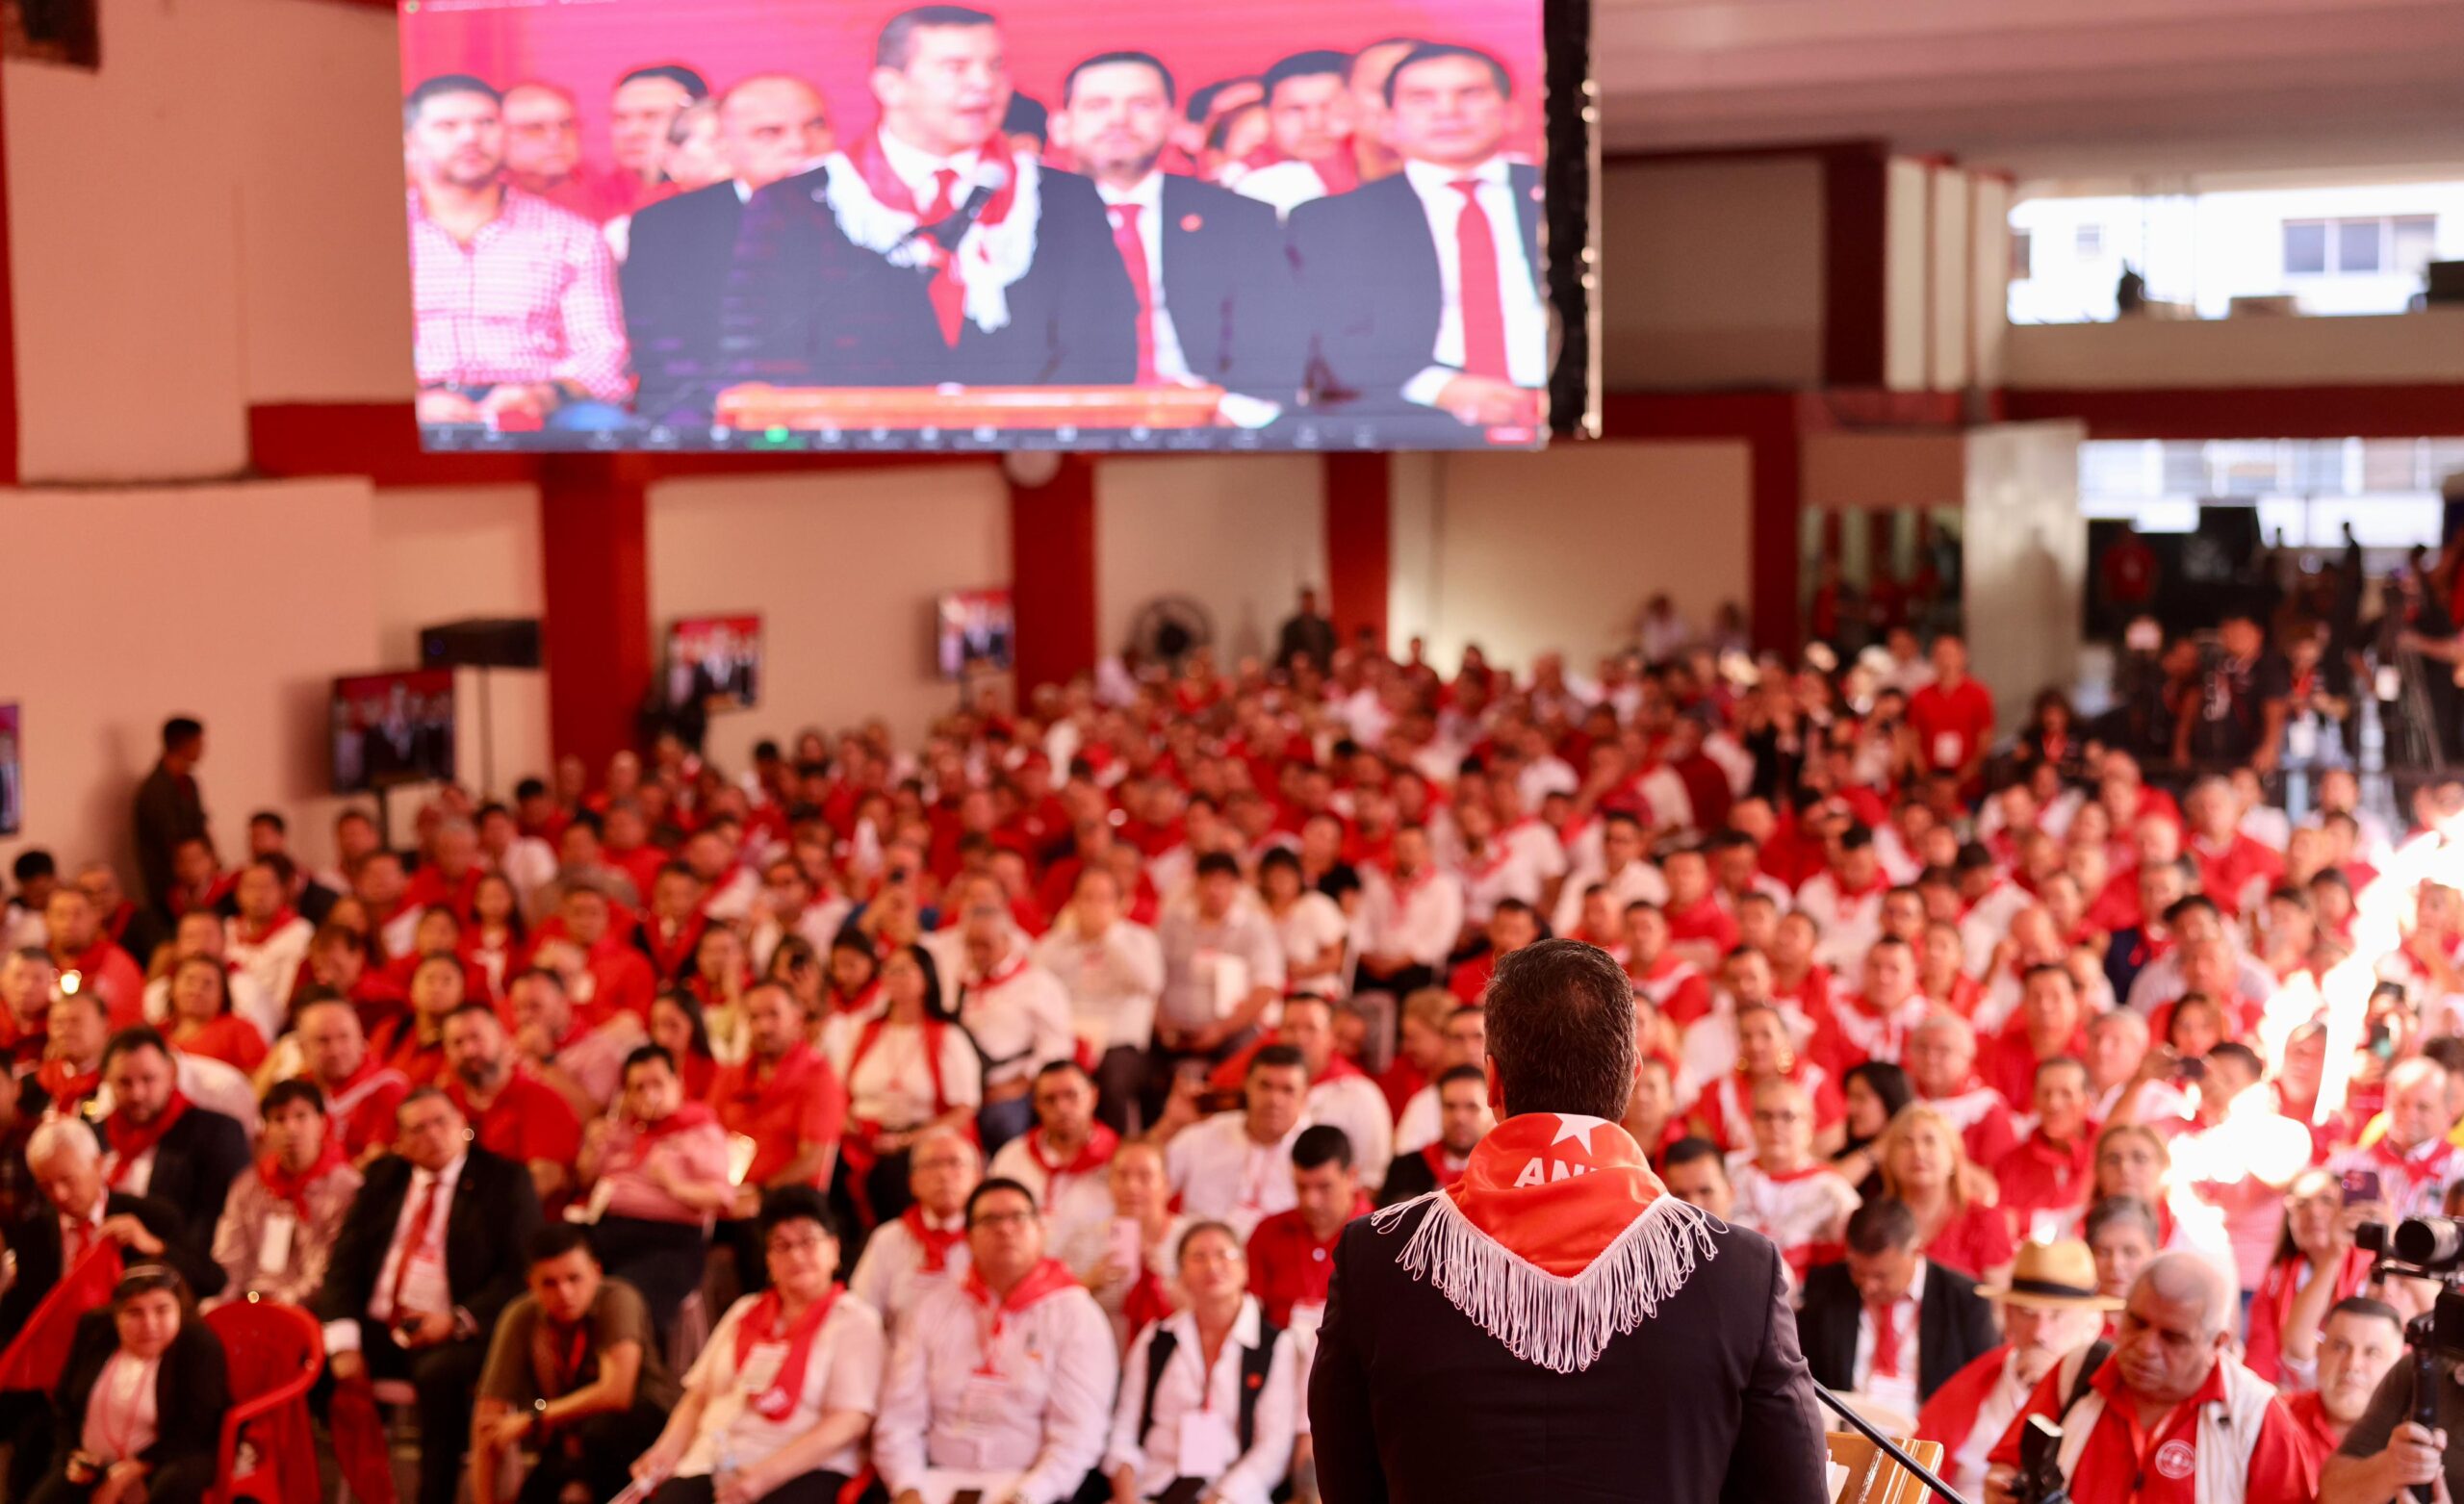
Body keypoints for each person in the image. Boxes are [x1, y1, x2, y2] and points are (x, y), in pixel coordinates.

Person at [1309, 938, 1830, 1501]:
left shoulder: (1377, 1254)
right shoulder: (1739, 1270)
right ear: (1630, 1078)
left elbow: (1346, 1484)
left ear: (1492, 1080)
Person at [728, 5, 1139, 389]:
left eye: (995, 67)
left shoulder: (1063, 196)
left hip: (1027, 454)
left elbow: (1103, 346)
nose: (984, 85)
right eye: (955, 68)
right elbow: (764, 356)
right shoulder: (797, 201)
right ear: (891, 85)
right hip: (858, 454)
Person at [1288, 43, 1545, 435]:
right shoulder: (1332, 220)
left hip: (1555, 407)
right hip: (1408, 415)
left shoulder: (1561, 198)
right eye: (1421, 98)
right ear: (1389, 122)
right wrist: (1441, 389)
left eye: (1470, 94)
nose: (1448, 112)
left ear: (1511, 113)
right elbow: (1330, 340)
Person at [314, 1088, 546, 1504]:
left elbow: (519, 1277)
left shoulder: (504, 1180)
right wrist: (344, 1344)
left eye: (441, 1122)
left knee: (441, 1375)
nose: (433, 1135)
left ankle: (432, 1496)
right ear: (401, 1143)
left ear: (464, 1125)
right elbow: (343, 1266)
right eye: (417, 1129)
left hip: (459, 1327)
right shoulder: (384, 1178)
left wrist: (456, 1321)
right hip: (382, 1322)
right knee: (308, 1356)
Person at [1059, 51, 1301, 423]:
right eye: (1097, 105)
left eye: (1141, 104)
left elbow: (1279, 345)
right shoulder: (1026, 219)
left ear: (1172, 120)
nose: (1119, 120)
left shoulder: (1239, 219)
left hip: (1214, 426)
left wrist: (1229, 410)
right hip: (1067, 424)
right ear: (1062, 123)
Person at [1985, 1251, 2317, 1504]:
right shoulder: (2077, 1371)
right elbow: (2006, 1469)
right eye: (2137, 1323)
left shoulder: (2255, 1414)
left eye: (2172, 1337)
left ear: (2218, 1343)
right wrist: (2005, 1490)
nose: (2145, 1347)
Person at [403, 74, 630, 432]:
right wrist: (414, 399)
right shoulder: (377, 236)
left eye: (486, 123)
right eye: (448, 125)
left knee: (607, 426)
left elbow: (601, 353)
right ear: (410, 142)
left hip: (541, 405)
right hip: (417, 403)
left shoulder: (571, 235)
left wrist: (541, 396)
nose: (470, 137)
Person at [629, 1187, 884, 1504]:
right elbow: (698, 1398)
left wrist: (762, 1477)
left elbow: (849, 1421)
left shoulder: (854, 1320)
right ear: (768, 1260)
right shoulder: (743, 1311)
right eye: (782, 1245)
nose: (795, 1255)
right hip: (710, 1460)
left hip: (801, 1468)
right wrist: (663, 1453)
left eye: (807, 1241)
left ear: (834, 1249)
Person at [873, 1177, 1117, 1504]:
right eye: (991, 1220)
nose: (1005, 1229)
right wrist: (907, 1488)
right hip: (934, 1482)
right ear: (969, 1238)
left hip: (1034, 1486)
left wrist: (1028, 1495)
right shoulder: (932, 1308)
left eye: (1018, 1217)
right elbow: (899, 1419)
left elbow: (1079, 1432)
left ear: (1041, 1231)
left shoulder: (1075, 1313)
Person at [624, 73, 837, 421]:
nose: (799, 144)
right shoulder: (665, 224)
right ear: (725, 145)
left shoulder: (873, 217)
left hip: (842, 409)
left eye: (815, 126)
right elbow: (662, 350)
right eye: (770, 132)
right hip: (711, 412)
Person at [471, 1226, 679, 1504]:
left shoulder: (618, 1298)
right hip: (567, 1441)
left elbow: (616, 1394)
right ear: (531, 1284)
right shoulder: (521, 1317)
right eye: (550, 1283)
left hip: (637, 1434)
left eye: (574, 1278)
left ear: (596, 1271)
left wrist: (533, 1418)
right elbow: (487, 1423)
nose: (565, 1293)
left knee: (601, 1435)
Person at [1106, 1221, 1298, 1504]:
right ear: (1181, 1273)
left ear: (1244, 1269)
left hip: (1232, 1494)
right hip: (1153, 1486)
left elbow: (1274, 1447)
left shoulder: (1274, 1345)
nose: (1212, 1265)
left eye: (1224, 1255)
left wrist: (1219, 1498)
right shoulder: (1156, 1339)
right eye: (1198, 1257)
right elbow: (1124, 1427)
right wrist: (1125, 1495)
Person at [1913, 1238, 2120, 1502]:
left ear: (2092, 1325)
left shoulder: (2103, 1396)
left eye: (2057, 1315)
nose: (2040, 1333)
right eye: (2027, 1313)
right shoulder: (1977, 1381)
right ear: (2008, 1318)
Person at [25, 1264, 228, 1504]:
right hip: (92, 1462)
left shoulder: (198, 1344)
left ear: (179, 1310)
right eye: (134, 1313)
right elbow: (64, 1403)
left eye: (162, 1310)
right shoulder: (94, 1330)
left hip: (167, 1458)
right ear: (116, 1316)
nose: (149, 1324)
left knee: (174, 1484)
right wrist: (71, 1454)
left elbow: (197, 1427)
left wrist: (133, 1468)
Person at [575, 1044, 733, 1333]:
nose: (649, 1094)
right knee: (554, 1263)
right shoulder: (624, 1129)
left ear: (678, 1084)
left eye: (657, 1084)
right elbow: (586, 1180)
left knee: (620, 1300)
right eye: (638, 1087)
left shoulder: (699, 1130)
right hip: (608, 1229)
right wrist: (593, 1146)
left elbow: (722, 1197)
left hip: (668, 1240)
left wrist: (675, 1185)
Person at [1798, 1197, 2001, 1417]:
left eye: (1881, 1275)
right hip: (1843, 1437)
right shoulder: (1826, 1286)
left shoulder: (1964, 1299)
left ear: (1916, 1250)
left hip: (1928, 1440)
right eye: (1857, 1271)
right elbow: (1806, 1379)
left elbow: (1984, 1388)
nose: (1868, 1286)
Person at [95, 1029, 249, 1275]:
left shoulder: (214, 1133)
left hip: (179, 1276)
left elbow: (214, 1231)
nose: (137, 1094)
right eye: (124, 1082)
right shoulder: (94, 1137)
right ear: (106, 1081)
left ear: (170, 1074)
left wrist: (153, 1245)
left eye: (148, 1079)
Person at [1034, 867, 1165, 1133]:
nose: (1094, 906)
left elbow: (1151, 983)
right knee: (1044, 1078)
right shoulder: (1053, 945)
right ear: (1073, 902)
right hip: (1067, 1041)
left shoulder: (1139, 939)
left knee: (1113, 1081)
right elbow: (1035, 989)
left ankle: (1116, 1151)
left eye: (1103, 898)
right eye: (1087, 897)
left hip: (1121, 1044)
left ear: (1120, 903)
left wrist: (1109, 936)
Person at [210, 1080, 361, 1306]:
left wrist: (283, 1302)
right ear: (266, 1130)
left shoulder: (346, 1187)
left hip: (313, 1306)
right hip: (251, 1299)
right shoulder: (248, 1184)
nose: (291, 1129)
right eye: (279, 1119)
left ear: (322, 1123)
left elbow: (329, 1270)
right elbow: (229, 1257)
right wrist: (232, 1300)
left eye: (301, 1117)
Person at [442, 1003, 584, 1208]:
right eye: (457, 1043)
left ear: (502, 1037)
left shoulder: (541, 1100)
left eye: (476, 1038)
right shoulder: (444, 1100)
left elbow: (546, 1178)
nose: (468, 1050)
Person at [1165, 1043, 1311, 1239]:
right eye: (1265, 1086)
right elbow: (1144, 1183)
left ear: (1305, 1094)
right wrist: (1168, 1127)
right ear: (1245, 1084)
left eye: (1287, 1090)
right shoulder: (1205, 1134)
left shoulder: (1317, 1151)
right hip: (1201, 1256)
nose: (1274, 1099)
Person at [848, 1126, 980, 1336]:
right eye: (932, 1165)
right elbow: (861, 1313)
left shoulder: (990, 1236)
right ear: (913, 1183)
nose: (944, 1174)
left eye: (954, 1163)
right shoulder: (888, 1238)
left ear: (977, 1177)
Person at [1245, 1123, 1368, 1337]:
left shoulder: (1382, 1234)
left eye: (1324, 1187)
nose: (1311, 1201)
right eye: (1302, 1187)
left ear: (1352, 1177)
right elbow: (1248, 1314)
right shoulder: (1268, 1231)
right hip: (1276, 1356)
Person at [988, 1059, 1118, 1235]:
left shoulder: (1119, 1158)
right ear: (1036, 1105)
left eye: (1071, 1095)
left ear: (1093, 1096)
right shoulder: (1012, 1157)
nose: (1062, 1107)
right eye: (1049, 1100)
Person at [1231, 50, 1358, 217]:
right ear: (1267, 116)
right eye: (1295, 110)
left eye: (1329, 107)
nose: (1314, 124)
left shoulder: (1394, 177)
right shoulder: (1239, 188)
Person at [2285, 1298, 2405, 1472]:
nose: (2353, 1364)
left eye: (2372, 1353)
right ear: (2319, 1351)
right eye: (2340, 1347)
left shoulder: (2411, 1446)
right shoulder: (2278, 1418)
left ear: (2399, 1365)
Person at [295, 995, 411, 1164]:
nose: (335, 1050)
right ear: (303, 1048)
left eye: (344, 1037)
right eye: (323, 1041)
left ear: (361, 1038)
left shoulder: (389, 1089)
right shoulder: (298, 1091)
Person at [130, 718, 207, 922]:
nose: (203, 748)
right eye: (199, 742)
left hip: (196, 876)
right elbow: (171, 841)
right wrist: (190, 867)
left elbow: (200, 826)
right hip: (168, 884)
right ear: (183, 743)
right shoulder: (155, 789)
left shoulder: (188, 782)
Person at [1379, 1063, 1486, 1204]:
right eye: (1450, 1106)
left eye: (1471, 1107)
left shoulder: (1504, 1172)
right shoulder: (1406, 1168)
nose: (1459, 1117)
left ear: (1491, 1110)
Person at [1275, 587, 1339, 675]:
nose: (1309, 604)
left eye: (1311, 601)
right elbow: (1287, 651)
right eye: (1306, 601)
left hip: (1323, 670)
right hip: (1301, 672)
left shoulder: (1324, 625)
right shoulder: (1291, 628)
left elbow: (1333, 646)